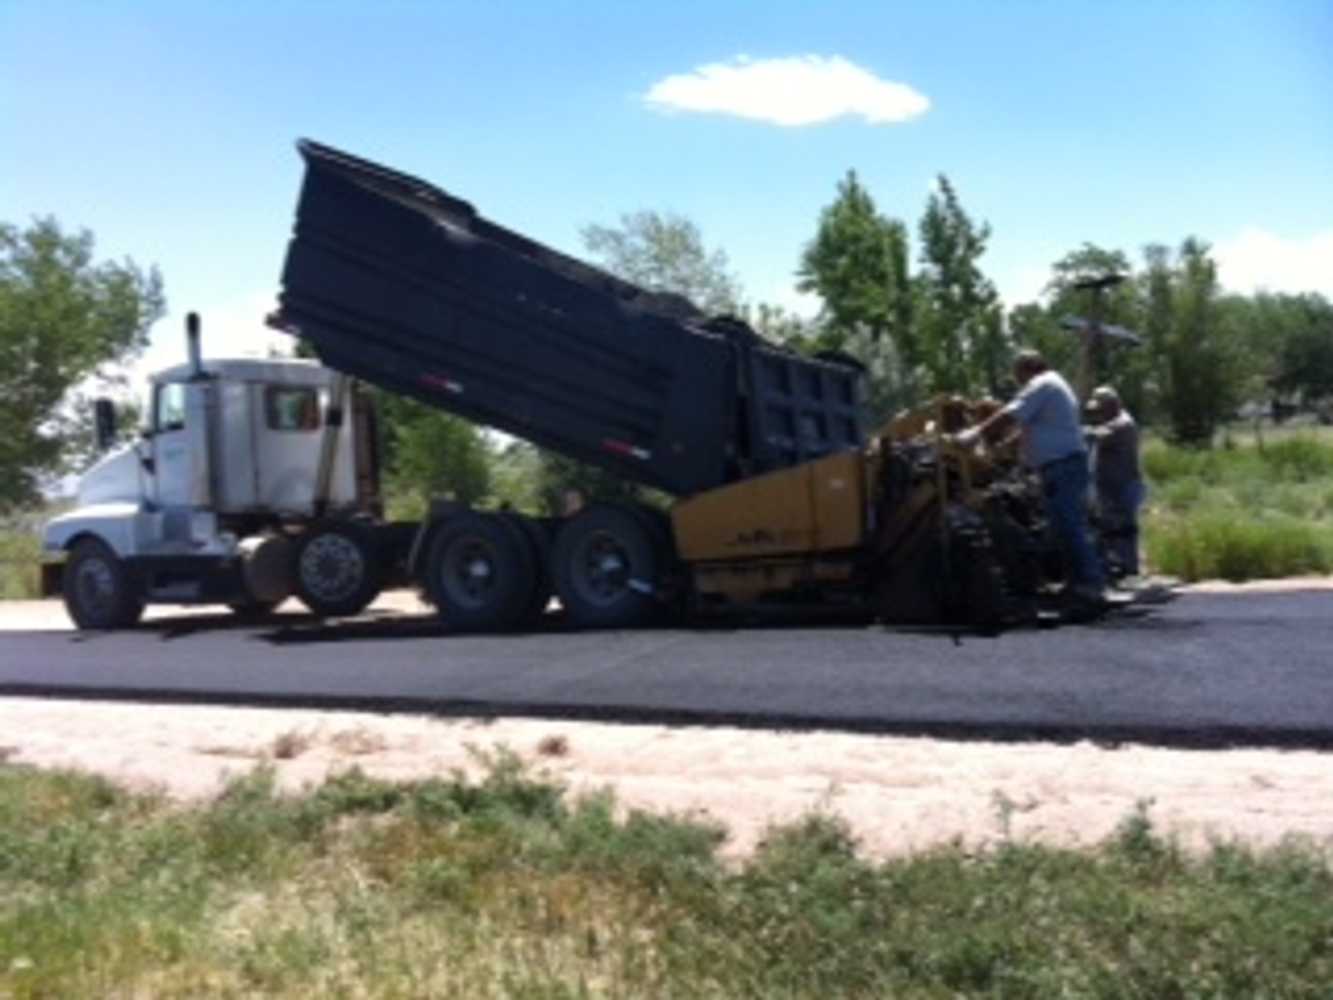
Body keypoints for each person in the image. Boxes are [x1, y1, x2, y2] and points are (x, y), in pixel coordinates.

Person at [952, 350, 1106, 610]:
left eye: (1017, 376)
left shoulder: (1042, 384)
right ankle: (1077, 585)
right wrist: (1002, 448)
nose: (1017, 382)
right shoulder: (1054, 385)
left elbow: (1011, 413)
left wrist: (974, 434)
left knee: (1069, 526)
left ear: (1026, 369)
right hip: (1062, 466)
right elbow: (1028, 427)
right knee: (1062, 528)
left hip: (1061, 465)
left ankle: (1090, 586)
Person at [1084, 385, 1145, 581]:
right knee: (1112, 527)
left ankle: (1129, 567)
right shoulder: (1113, 422)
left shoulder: (1123, 423)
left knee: (1123, 528)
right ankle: (1121, 565)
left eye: (1101, 408)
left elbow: (1097, 436)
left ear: (1112, 404)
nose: (1099, 413)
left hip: (1124, 484)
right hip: (1112, 484)